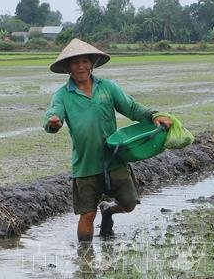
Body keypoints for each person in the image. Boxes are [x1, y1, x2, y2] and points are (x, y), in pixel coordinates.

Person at [43, 38, 172, 243]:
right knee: (87, 214)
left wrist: (155, 115)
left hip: (114, 159)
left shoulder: (108, 88)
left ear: (92, 63)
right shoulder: (62, 95)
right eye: (75, 63)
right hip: (85, 165)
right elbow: (52, 116)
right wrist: (53, 123)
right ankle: (85, 261)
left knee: (129, 204)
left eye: (85, 61)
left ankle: (109, 210)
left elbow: (132, 108)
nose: (81, 66)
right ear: (68, 67)